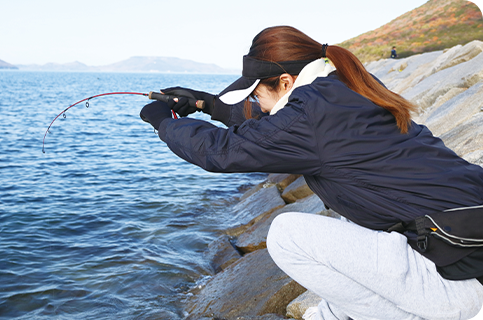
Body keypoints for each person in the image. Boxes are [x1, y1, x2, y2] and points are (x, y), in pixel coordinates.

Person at [139, 26, 483, 319]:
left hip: (458, 281)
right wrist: (206, 105)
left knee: (287, 234)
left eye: (258, 96)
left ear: (286, 81)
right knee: (349, 240)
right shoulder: (344, 88)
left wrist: (163, 123)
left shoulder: (310, 117)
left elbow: (222, 151)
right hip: (464, 251)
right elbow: (272, 128)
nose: (258, 106)